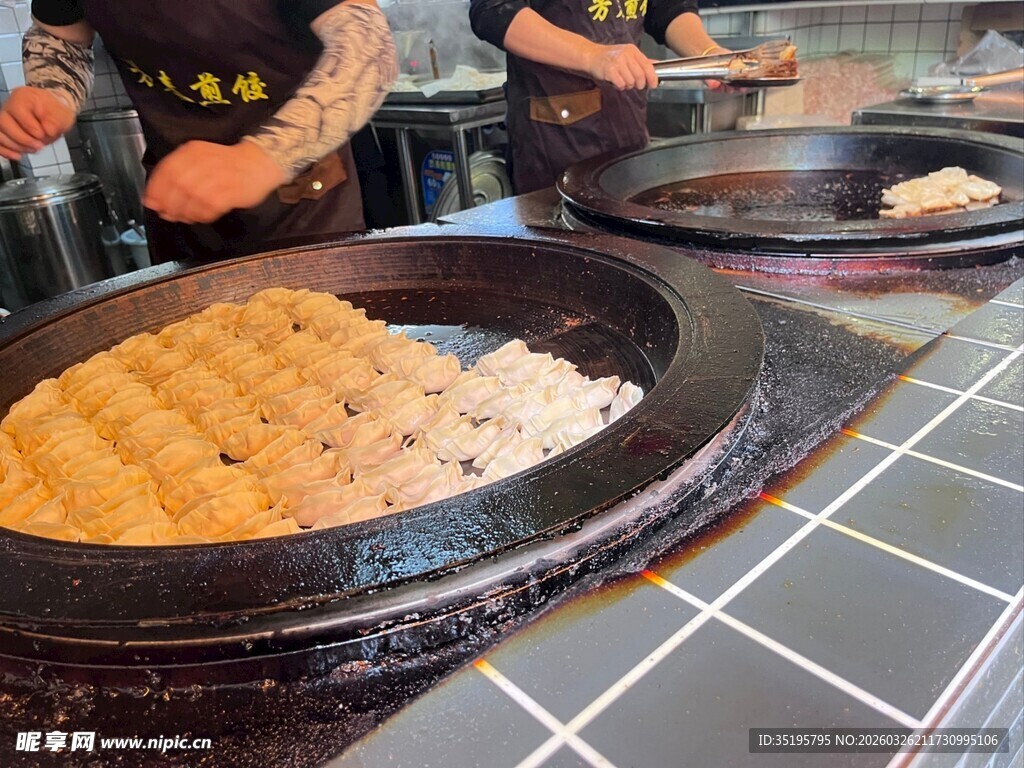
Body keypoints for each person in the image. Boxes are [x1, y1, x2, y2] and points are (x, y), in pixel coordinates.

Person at [0, 0, 398, 263]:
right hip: (179, 202)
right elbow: (59, 36)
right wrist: (54, 92)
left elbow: (369, 47)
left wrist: (262, 158)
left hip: (300, 201)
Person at [469, 0, 726, 194]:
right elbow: (494, 10)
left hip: (626, 130)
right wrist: (592, 55)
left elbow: (667, 7)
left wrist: (708, 55)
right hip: (553, 143)